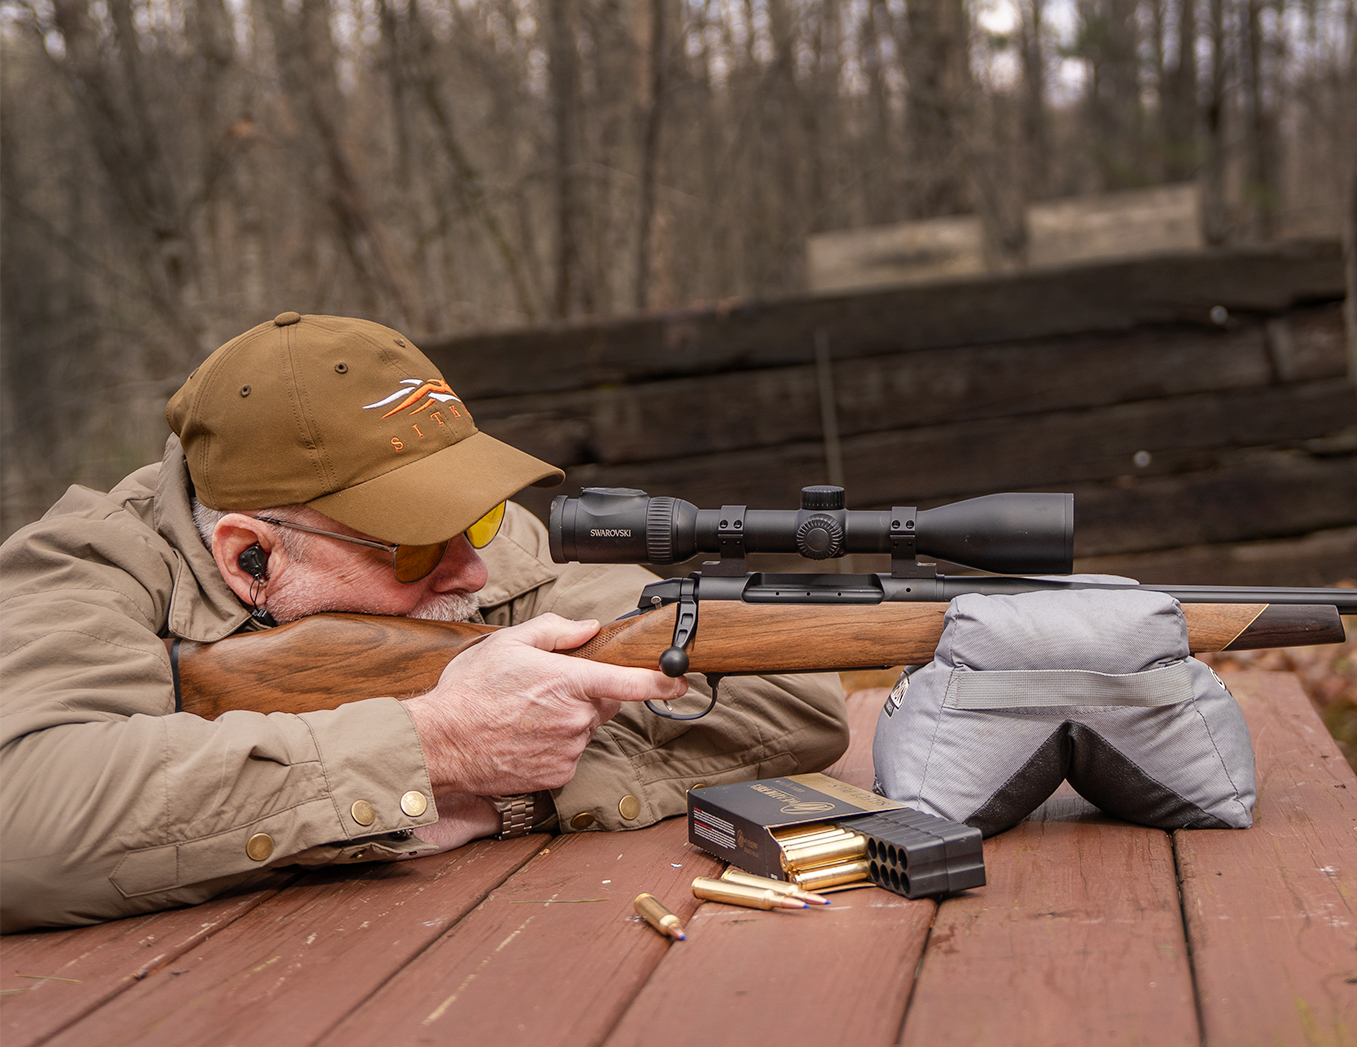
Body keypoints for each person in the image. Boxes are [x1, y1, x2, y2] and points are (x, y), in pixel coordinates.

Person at [0, 312, 849, 932]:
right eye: (411, 542)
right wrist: (433, 748)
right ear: (250, 555)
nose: (473, 568)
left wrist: (503, 794)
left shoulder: (478, 545)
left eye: (474, 514)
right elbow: (23, 820)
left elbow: (787, 697)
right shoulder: (83, 569)